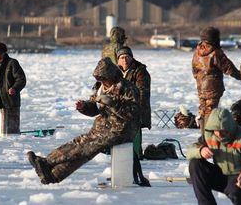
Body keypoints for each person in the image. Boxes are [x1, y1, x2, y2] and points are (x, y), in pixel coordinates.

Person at [26, 57, 141, 184]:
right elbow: (94, 108)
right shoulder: (100, 87)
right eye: (99, 79)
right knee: (82, 145)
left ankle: (46, 162)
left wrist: (114, 104)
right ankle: (53, 175)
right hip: (103, 127)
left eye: (103, 78)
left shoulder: (128, 88)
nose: (101, 81)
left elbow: (133, 114)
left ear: (112, 76)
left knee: (87, 145)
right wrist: (84, 107)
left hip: (121, 130)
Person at [187, 108, 241, 205]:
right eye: (216, 130)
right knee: (195, 164)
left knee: (236, 191)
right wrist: (200, 151)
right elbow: (189, 151)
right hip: (223, 175)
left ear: (230, 127)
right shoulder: (209, 136)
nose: (219, 134)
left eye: (222, 131)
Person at [192, 27, 241, 131]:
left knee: (203, 109)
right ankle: (208, 136)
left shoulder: (198, 51)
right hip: (212, 86)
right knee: (210, 111)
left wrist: (199, 79)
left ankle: (204, 135)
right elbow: (228, 67)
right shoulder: (215, 52)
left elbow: (194, 69)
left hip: (201, 85)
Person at [116, 46, 151, 186]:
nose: (124, 60)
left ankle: (136, 176)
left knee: (134, 146)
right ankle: (124, 173)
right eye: (121, 57)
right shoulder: (115, 72)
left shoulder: (141, 72)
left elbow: (142, 94)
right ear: (118, 60)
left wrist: (133, 111)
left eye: (127, 57)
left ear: (131, 57)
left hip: (136, 114)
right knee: (122, 146)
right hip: (119, 115)